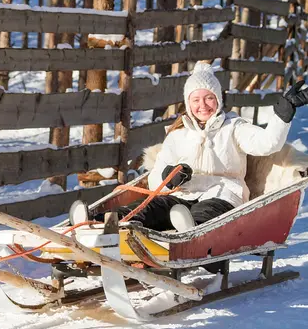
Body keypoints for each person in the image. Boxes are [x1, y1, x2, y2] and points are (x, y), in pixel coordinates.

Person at [118, 61, 308, 233]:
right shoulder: (177, 135)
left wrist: (282, 115)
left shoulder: (234, 127)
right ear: (188, 103)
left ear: (218, 99)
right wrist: (169, 177)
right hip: (182, 195)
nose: (203, 105)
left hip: (223, 195)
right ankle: (109, 223)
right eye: (196, 100)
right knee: (151, 208)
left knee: (205, 213)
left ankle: (190, 232)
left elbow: (268, 144)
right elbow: (155, 180)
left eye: (209, 98)